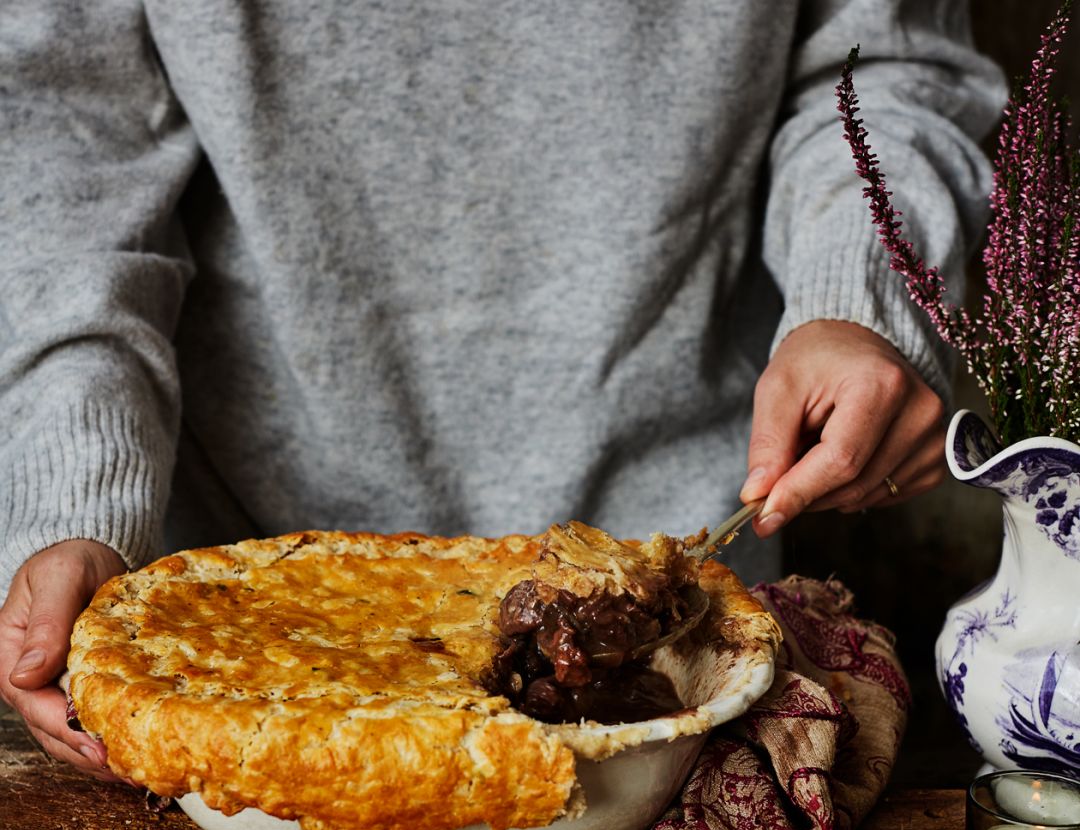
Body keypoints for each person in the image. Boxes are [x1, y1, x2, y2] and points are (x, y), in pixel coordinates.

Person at [0, 1, 1005, 776]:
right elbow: (66, 137)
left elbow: (888, 65)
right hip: (217, 611)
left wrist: (860, 299)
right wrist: (80, 490)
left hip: (680, 607)